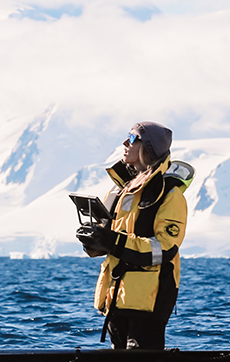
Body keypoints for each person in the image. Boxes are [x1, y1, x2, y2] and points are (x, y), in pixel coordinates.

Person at [76, 121, 193, 350]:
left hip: (149, 299)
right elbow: (112, 242)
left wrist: (112, 241)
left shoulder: (170, 194)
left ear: (148, 147)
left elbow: (165, 248)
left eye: (132, 138)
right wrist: (93, 240)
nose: (124, 143)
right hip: (116, 296)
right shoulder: (120, 190)